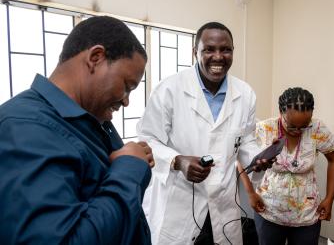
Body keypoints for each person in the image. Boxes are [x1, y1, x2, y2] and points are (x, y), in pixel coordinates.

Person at [0, 16, 155, 244]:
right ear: (95, 58)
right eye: (126, 86)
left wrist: (130, 159)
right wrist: (129, 169)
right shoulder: (25, 127)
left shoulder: (87, 117)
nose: (126, 102)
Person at [136, 22, 265, 245]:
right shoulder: (169, 89)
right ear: (195, 52)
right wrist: (177, 161)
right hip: (179, 203)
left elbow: (246, 140)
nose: (218, 56)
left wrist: (257, 159)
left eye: (225, 49)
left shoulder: (245, 94)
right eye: (209, 49)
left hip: (223, 203)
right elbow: (147, 140)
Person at [239, 87, 334, 245]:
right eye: (292, 126)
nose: (298, 131)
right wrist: (250, 193)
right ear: (280, 112)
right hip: (268, 210)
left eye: (304, 126)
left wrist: (329, 198)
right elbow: (240, 160)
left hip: (306, 214)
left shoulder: (317, 128)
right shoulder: (265, 129)